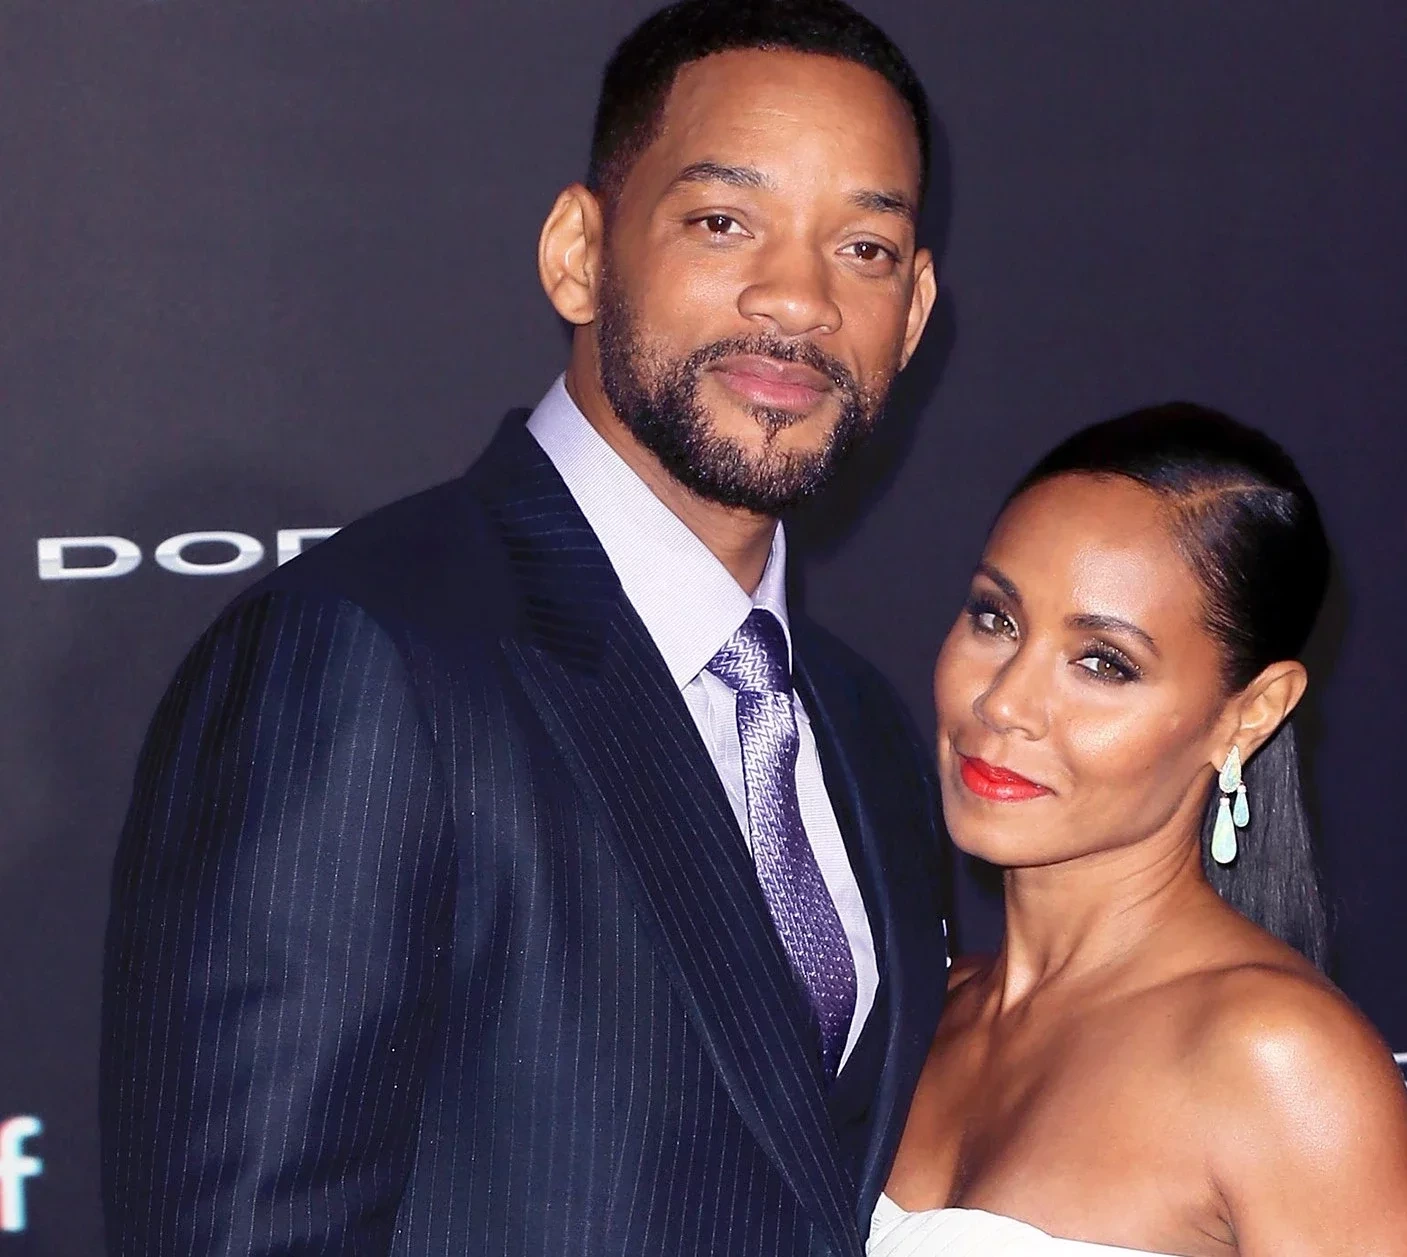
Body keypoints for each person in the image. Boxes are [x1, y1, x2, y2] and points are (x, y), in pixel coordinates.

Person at [100, 3, 948, 1254]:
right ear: (577, 253)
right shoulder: (361, 655)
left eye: (864, 248)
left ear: (913, 312)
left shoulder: (862, 725)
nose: (797, 299)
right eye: (723, 222)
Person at [872, 406, 1407, 1256]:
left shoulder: (1274, 1062)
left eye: (1102, 662)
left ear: (1249, 714)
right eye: (995, 619)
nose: (1003, 703)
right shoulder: (917, 1012)